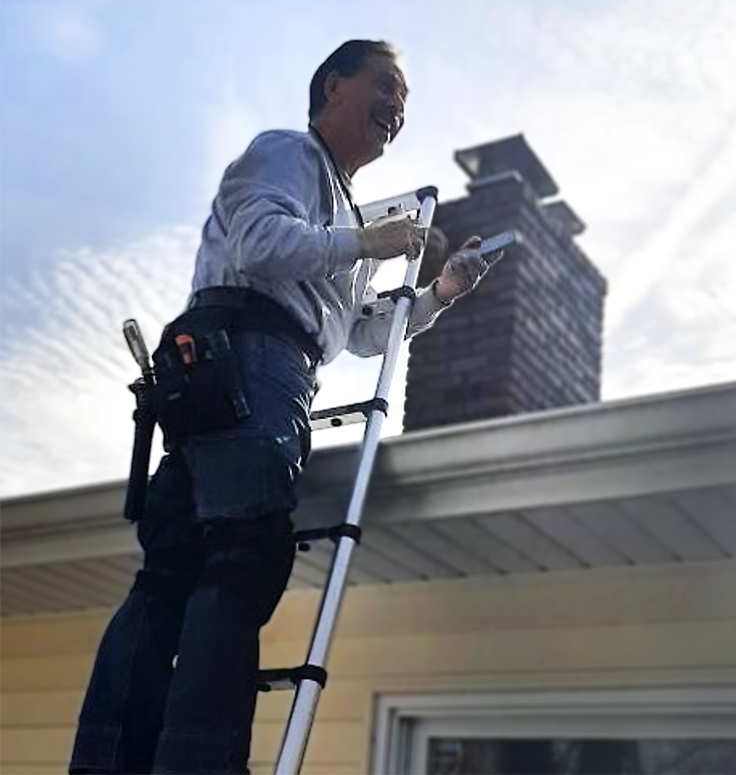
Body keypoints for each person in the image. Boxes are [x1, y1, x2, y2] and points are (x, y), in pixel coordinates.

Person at [69, 39, 491, 775]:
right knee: (239, 561)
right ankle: (195, 761)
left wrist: (438, 295)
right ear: (334, 86)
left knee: (173, 569)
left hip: (244, 361)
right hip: (251, 350)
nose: (398, 107)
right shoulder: (288, 154)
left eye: (406, 100)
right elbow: (261, 242)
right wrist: (368, 239)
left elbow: (354, 332)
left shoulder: (339, 205)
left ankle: (111, 758)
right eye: (387, 86)